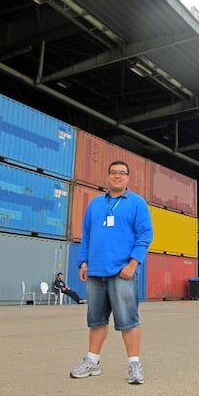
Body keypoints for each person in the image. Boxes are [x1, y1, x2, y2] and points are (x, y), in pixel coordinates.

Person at [70, 160, 153, 384]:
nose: (117, 176)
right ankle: (92, 361)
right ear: (108, 177)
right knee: (96, 320)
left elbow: (145, 236)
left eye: (122, 173)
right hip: (96, 271)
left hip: (122, 271)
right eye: (113, 173)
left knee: (128, 320)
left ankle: (134, 365)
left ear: (128, 178)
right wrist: (83, 262)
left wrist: (133, 264)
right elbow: (86, 236)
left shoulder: (137, 204)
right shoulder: (95, 205)